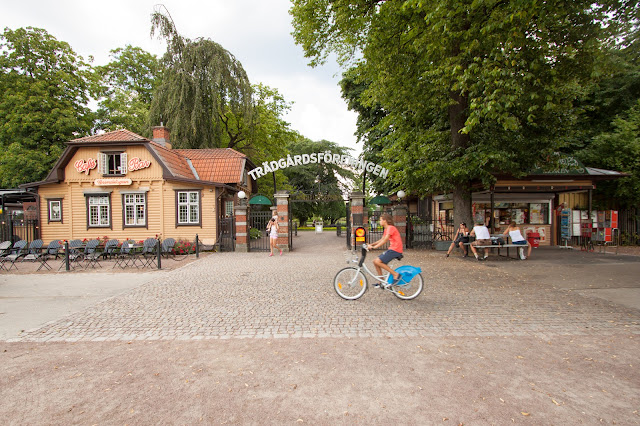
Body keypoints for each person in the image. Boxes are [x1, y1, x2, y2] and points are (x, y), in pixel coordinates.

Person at [368, 213, 403, 287]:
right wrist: (372, 244)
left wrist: (375, 247)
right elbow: (382, 239)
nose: (379, 222)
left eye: (380, 220)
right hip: (392, 249)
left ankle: (395, 274)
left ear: (385, 221)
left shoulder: (391, 228)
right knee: (375, 261)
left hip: (395, 250)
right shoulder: (386, 229)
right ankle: (381, 281)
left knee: (378, 261)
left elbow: (385, 240)